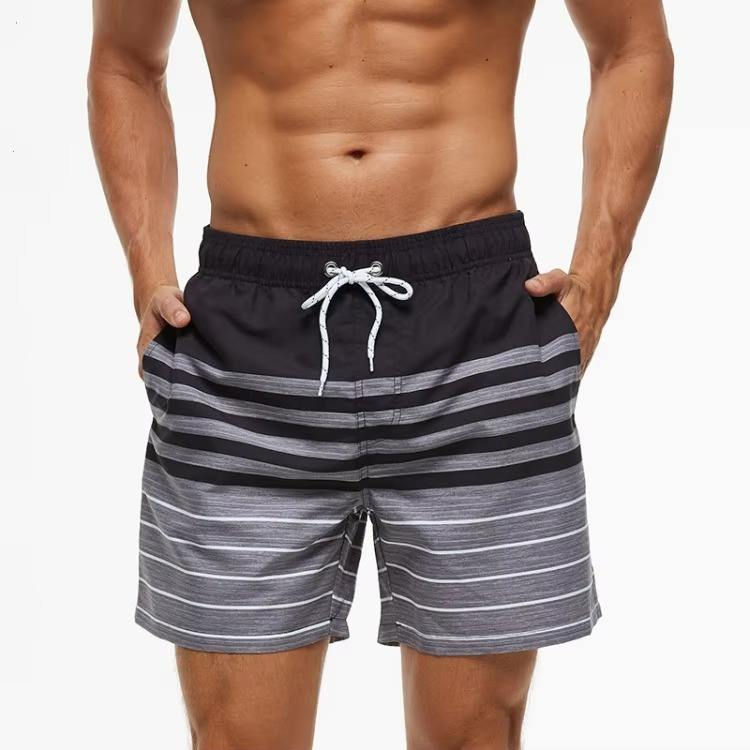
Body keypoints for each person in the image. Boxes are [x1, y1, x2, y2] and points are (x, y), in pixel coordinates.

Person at [88, 1, 673, 747]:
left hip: (476, 328)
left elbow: (632, 46)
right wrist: (148, 274)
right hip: (242, 341)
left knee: (474, 737)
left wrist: (600, 272)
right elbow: (126, 61)